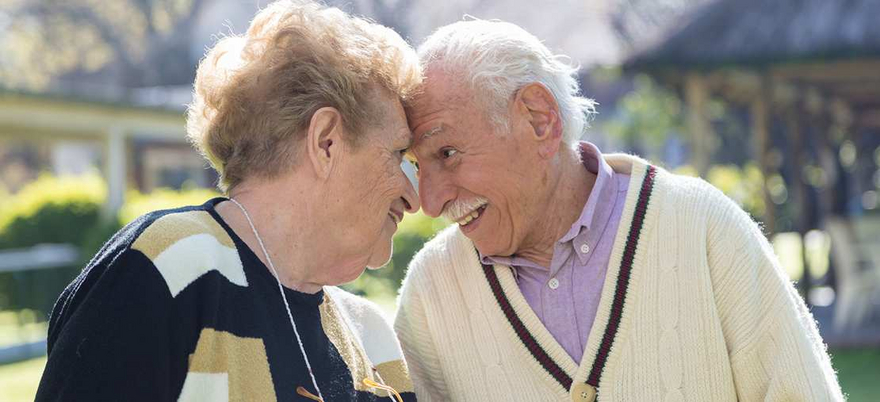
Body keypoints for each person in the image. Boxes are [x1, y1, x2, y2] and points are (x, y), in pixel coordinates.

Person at [394, 19, 843, 401]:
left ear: (538, 120)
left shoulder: (702, 228)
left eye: (447, 153)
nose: (430, 201)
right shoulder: (432, 294)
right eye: (417, 165)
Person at [36, 1, 421, 400]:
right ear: (326, 141)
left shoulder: (372, 337)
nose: (415, 197)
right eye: (398, 156)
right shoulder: (169, 269)